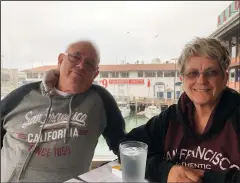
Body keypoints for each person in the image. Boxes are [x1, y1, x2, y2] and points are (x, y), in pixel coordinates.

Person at [1, 40, 126, 182]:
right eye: (75, 57)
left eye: (89, 64)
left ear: (95, 74)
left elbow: (123, 145)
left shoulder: (100, 101)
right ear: (61, 60)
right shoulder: (23, 95)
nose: (81, 65)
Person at [124, 37, 240, 183]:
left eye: (211, 73)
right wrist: (166, 171)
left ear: (225, 78)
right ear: (182, 79)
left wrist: (202, 178)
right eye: (193, 73)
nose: (201, 80)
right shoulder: (171, 118)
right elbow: (127, 146)